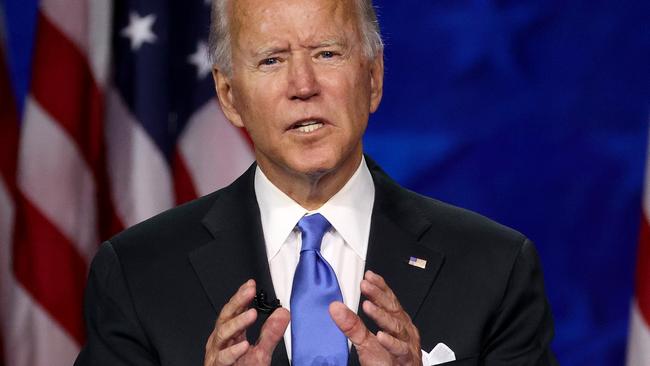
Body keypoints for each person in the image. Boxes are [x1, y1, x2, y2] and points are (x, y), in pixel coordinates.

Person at [75, 0, 557, 365]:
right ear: (228, 96)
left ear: (373, 78)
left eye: (327, 53)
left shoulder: (495, 269)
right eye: (271, 60)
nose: (303, 85)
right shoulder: (138, 275)